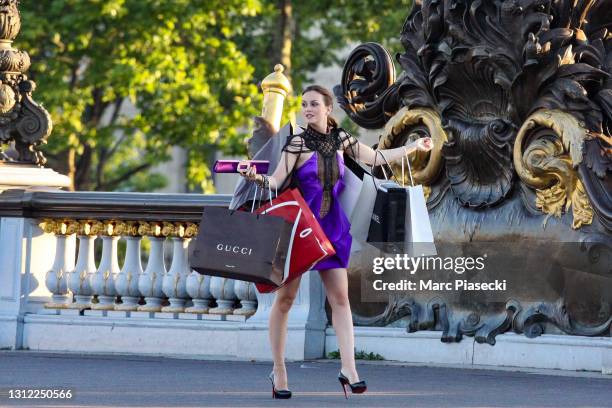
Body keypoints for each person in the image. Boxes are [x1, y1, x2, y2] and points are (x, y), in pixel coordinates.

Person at [238, 84, 433, 399]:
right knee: (285, 300)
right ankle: (279, 370)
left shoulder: (341, 139)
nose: (308, 109)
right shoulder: (296, 143)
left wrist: (413, 148)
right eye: (304, 105)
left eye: (314, 104)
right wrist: (253, 177)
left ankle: (349, 368)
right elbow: (274, 181)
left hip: (334, 229)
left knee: (340, 300)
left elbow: (376, 157)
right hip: (300, 231)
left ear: (328, 108)